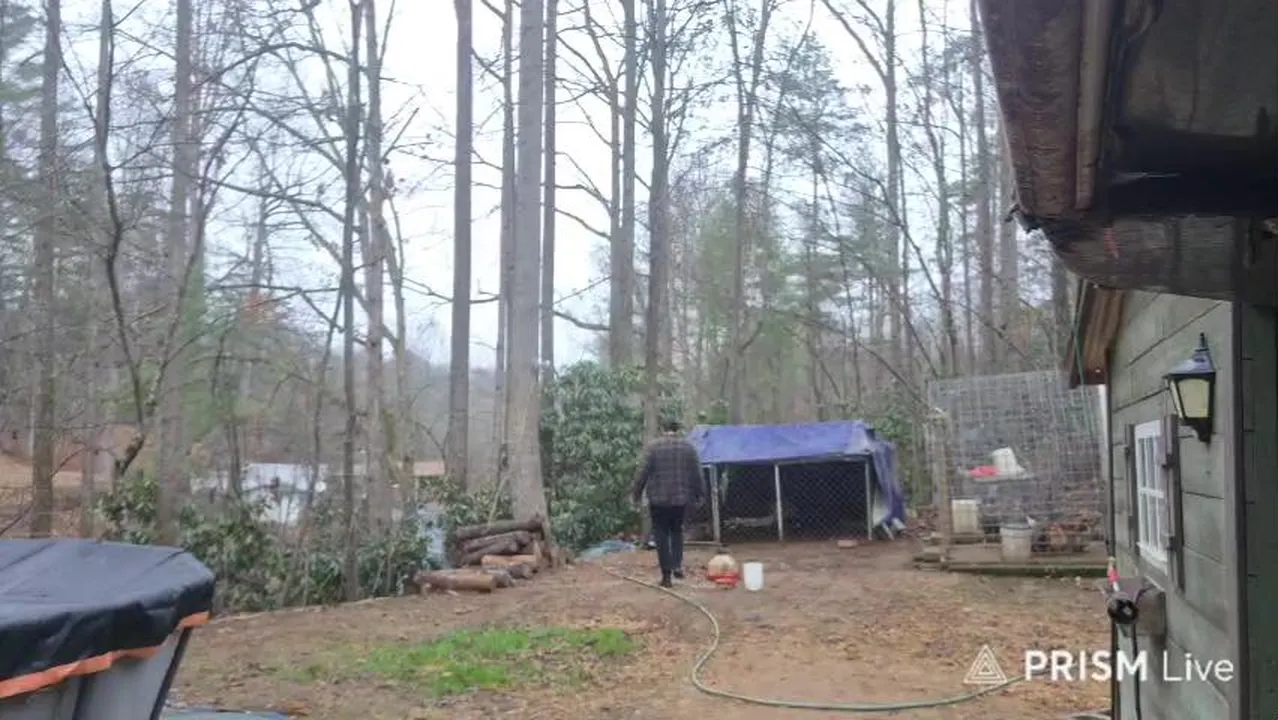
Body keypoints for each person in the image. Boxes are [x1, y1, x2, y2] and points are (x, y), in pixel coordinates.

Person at [631, 417, 703, 587]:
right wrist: (699, 494)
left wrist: (636, 494)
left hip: (658, 499)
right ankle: (677, 564)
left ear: (663, 429)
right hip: (681, 498)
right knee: (677, 530)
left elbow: (642, 473)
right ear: (678, 429)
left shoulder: (653, 448)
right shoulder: (688, 448)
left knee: (661, 534)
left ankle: (666, 576)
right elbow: (697, 474)